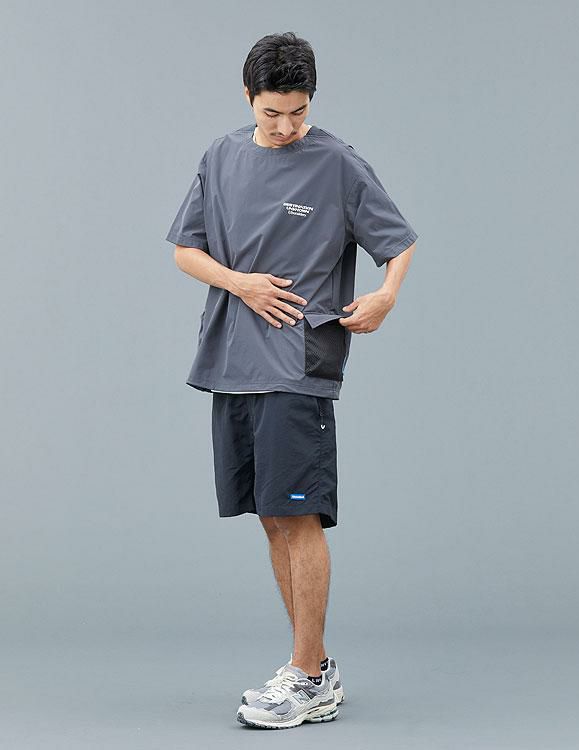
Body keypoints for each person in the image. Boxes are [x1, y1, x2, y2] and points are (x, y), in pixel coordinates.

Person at [165, 31, 418, 730]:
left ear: (312, 101)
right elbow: (186, 250)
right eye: (272, 112)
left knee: (299, 516)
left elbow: (398, 242)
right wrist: (240, 283)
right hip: (232, 362)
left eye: (298, 112)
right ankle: (315, 668)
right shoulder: (221, 157)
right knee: (272, 517)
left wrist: (386, 296)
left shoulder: (336, 163)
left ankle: (307, 674)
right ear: (248, 96)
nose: (285, 126)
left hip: (299, 361)